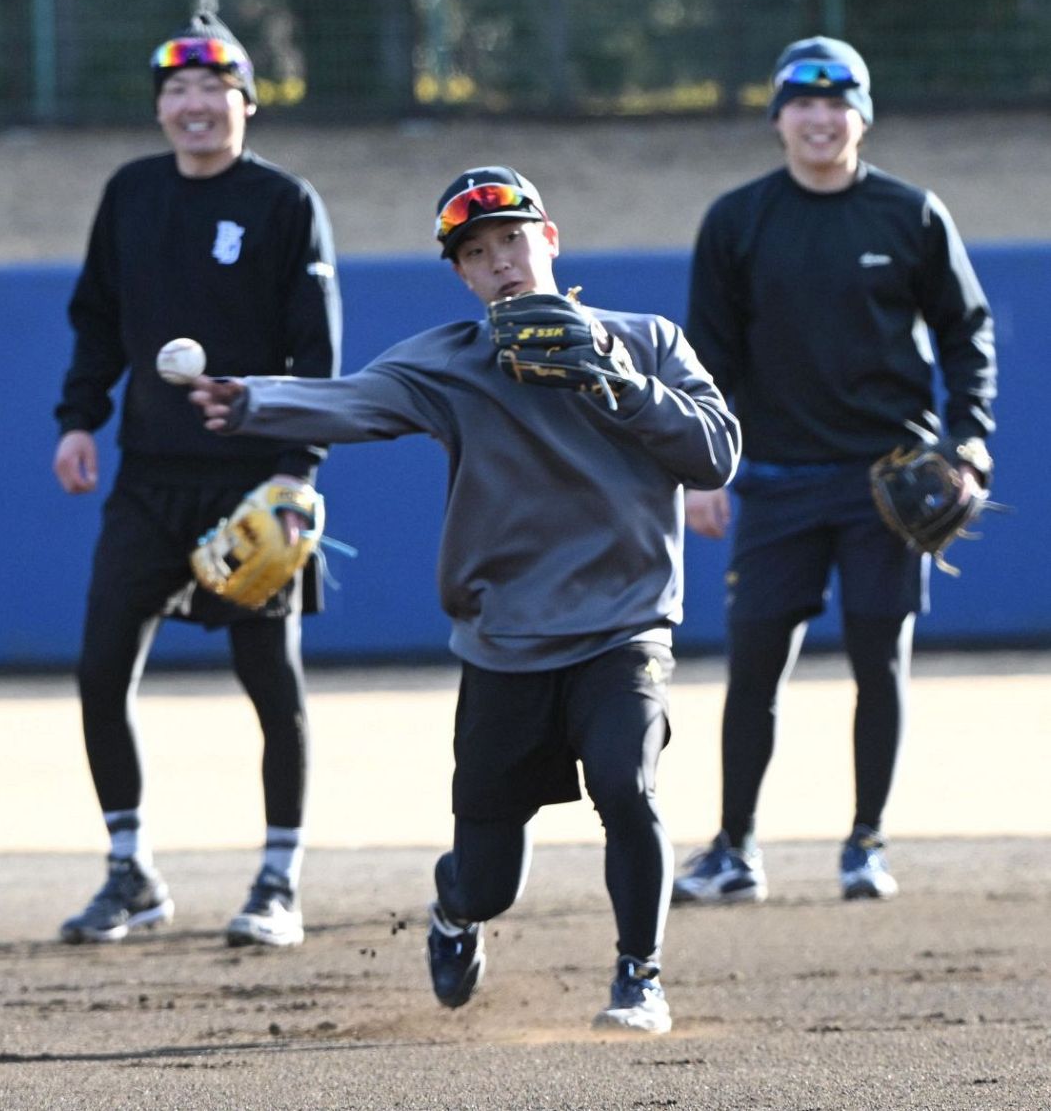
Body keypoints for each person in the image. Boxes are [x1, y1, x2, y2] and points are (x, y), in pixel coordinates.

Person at [188, 165, 741, 1032]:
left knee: (627, 788)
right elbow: (356, 402)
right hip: (504, 642)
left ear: (548, 239)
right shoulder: (453, 361)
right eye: (476, 253)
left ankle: (640, 977)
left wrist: (615, 379)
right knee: (490, 880)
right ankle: (453, 914)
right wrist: (252, 400)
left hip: (625, 629)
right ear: (461, 274)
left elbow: (715, 453)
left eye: (512, 240)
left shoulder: (647, 339)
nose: (500, 263)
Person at [671, 36, 996, 906]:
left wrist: (968, 441)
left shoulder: (910, 214)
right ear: (778, 118)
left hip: (887, 483)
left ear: (861, 116)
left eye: (838, 100)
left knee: (878, 661)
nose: (821, 117)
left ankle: (865, 844)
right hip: (776, 477)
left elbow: (969, 333)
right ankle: (735, 849)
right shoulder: (738, 220)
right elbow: (708, 358)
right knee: (753, 668)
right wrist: (703, 471)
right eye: (803, 102)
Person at [52, 10, 342, 948]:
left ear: (246, 103)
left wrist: (297, 474)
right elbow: (97, 319)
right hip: (148, 478)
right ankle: (129, 869)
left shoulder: (284, 202)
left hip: (251, 483)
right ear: (161, 108)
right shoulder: (131, 194)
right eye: (176, 90)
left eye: (214, 88)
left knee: (271, 682)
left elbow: (317, 352)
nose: (194, 105)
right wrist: (77, 421)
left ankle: (278, 880)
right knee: (101, 670)